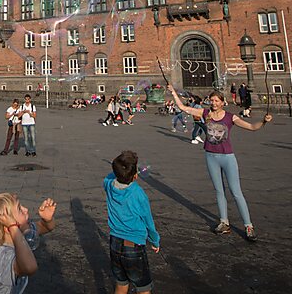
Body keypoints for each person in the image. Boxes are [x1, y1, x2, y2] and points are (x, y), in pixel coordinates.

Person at [169, 84, 272, 242]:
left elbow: (252, 127)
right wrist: (173, 93)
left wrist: (264, 122)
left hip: (227, 157)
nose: (214, 103)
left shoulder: (231, 117)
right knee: (219, 191)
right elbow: (183, 107)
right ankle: (224, 222)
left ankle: (248, 225)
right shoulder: (205, 113)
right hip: (211, 156)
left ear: (223, 102)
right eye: (212, 100)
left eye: (217, 101)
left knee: (236, 192)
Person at [103, 150, 160, 294]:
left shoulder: (109, 184)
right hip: (134, 245)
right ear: (135, 175)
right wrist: (154, 240)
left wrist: (119, 168)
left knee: (121, 285)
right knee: (143, 288)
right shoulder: (138, 193)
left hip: (115, 241)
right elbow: (148, 221)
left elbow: (111, 177)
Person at [0, 193, 56, 294]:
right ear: (8, 227)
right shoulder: (4, 254)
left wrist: (47, 220)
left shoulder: (22, 230)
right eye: (19, 209)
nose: (26, 209)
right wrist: (13, 226)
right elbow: (30, 268)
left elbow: (45, 227)